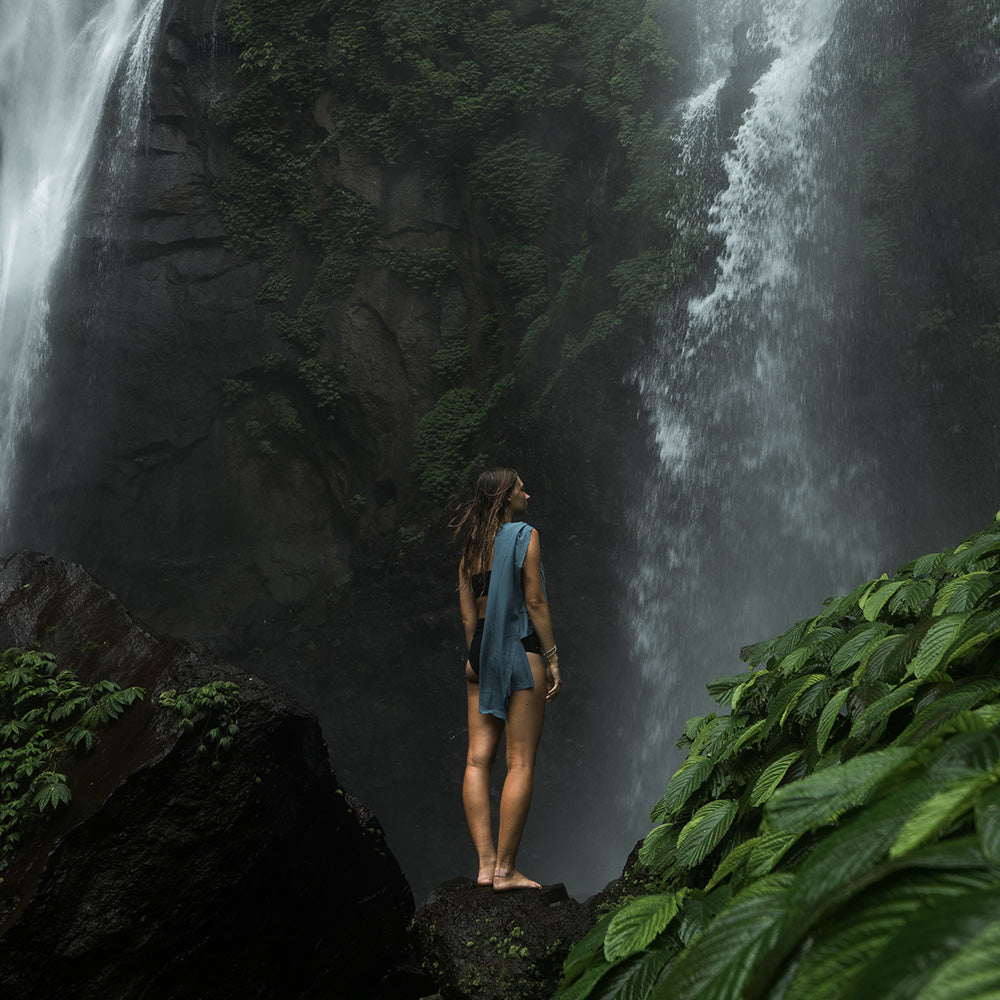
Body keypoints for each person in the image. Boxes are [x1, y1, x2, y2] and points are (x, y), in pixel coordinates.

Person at [453, 468, 562, 890]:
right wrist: (552, 657)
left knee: (477, 761)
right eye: (521, 488)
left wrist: (482, 655)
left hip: (479, 654)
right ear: (505, 498)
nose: (527, 493)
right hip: (520, 648)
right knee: (519, 762)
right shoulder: (524, 535)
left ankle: (483, 865)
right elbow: (533, 599)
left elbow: (467, 615)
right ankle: (505, 870)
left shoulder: (471, 549)